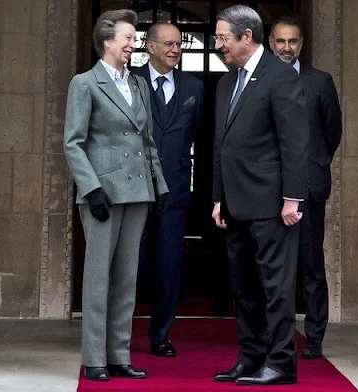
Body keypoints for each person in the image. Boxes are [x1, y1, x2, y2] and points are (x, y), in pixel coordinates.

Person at [63, 9, 169, 382]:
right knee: (97, 279)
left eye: (134, 37)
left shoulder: (138, 84)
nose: (133, 43)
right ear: (107, 41)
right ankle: (94, 358)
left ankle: (118, 355)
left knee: (127, 278)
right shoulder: (85, 83)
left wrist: (159, 187)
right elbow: (73, 144)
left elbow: (148, 140)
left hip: (137, 191)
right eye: (127, 37)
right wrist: (91, 190)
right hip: (102, 195)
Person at [210, 5, 309, 386]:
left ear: (246, 37)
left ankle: (281, 362)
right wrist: (218, 197)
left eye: (222, 37)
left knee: (276, 289)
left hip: (272, 204)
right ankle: (250, 359)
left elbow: (295, 142)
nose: (218, 45)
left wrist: (293, 198)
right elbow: (223, 145)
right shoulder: (226, 82)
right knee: (245, 289)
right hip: (236, 205)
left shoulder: (280, 76)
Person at [269, 16, 343, 360]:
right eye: (281, 41)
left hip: (309, 189)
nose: (287, 48)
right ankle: (271, 335)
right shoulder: (258, 79)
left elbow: (332, 133)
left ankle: (314, 338)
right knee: (271, 266)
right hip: (268, 189)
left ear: (301, 44)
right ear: (271, 42)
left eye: (293, 42)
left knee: (312, 265)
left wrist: (313, 165)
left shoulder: (320, 82)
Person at [132, 23, 205, 357]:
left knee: (168, 268)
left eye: (179, 44)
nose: (176, 49)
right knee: (129, 267)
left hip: (175, 193)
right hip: (135, 192)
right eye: (168, 44)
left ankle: (161, 336)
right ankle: (117, 337)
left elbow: (200, 138)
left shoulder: (194, 87)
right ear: (149, 47)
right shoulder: (130, 82)